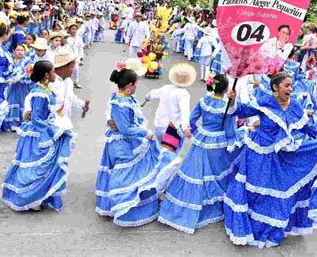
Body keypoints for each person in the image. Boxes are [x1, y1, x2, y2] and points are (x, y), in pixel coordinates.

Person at [224, 73, 317, 248]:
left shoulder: (294, 105)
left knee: (277, 189)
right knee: (257, 189)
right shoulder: (265, 101)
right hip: (259, 152)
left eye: (291, 86)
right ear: (275, 87)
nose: (290, 89)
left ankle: (270, 225)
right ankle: (250, 225)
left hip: (282, 153)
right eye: (287, 86)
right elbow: (242, 111)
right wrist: (233, 100)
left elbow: (307, 127)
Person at [95, 61, 181, 227]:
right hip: (124, 143)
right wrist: (144, 132)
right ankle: (122, 204)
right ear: (129, 86)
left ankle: (147, 194)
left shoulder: (125, 98)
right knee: (127, 174)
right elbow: (126, 129)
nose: (138, 86)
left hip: (128, 139)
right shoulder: (120, 102)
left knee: (148, 165)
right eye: (136, 83)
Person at [158, 74, 243, 234]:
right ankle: (214, 205)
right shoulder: (227, 106)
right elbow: (230, 131)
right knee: (217, 175)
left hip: (202, 139)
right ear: (226, 90)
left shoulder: (204, 101)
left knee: (196, 174)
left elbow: (191, 119)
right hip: (217, 144)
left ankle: (187, 206)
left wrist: (196, 131)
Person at [2, 60, 75, 212]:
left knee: (42, 165)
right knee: (37, 166)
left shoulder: (44, 89)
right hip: (38, 133)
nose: (55, 74)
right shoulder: (40, 93)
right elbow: (37, 118)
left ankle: (38, 195)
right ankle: (30, 198)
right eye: (53, 71)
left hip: (40, 129)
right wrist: (52, 131)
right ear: (47, 75)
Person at [141, 62, 196, 144]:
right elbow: (184, 111)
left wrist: (146, 98)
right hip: (172, 128)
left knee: (161, 149)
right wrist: (185, 127)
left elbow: (153, 93)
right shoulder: (184, 94)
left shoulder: (166, 88)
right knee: (172, 153)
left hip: (159, 125)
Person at [5, 44, 30, 130]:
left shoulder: (27, 61)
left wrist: (21, 76)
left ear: (25, 52)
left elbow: (29, 73)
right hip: (13, 87)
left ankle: (24, 123)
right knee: (12, 102)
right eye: (18, 50)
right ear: (14, 52)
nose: (20, 52)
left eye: (22, 50)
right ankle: (13, 123)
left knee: (23, 103)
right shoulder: (10, 61)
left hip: (24, 86)